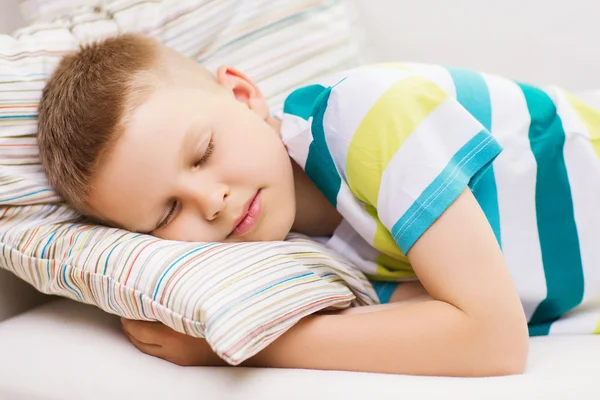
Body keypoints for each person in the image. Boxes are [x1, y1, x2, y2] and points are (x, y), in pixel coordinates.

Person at [36, 33, 600, 376]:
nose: (212, 203)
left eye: (204, 152)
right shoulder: (305, 259)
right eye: (165, 214)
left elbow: (492, 341)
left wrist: (238, 349)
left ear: (242, 95)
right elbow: (432, 321)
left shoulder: (366, 114)